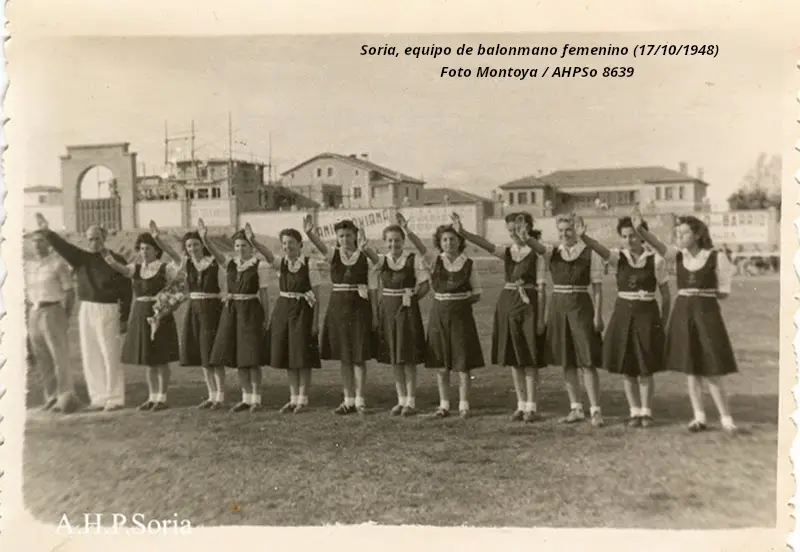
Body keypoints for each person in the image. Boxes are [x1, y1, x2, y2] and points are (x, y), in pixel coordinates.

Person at [632, 207, 739, 434]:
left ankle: (726, 418)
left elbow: (724, 292)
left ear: (698, 235)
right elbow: (658, 245)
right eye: (678, 234)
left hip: (707, 316)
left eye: (684, 233)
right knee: (691, 369)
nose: (679, 237)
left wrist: (701, 294)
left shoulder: (716, 256)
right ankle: (699, 417)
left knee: (712, 368)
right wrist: (640, 230)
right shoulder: (678, 255)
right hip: (683, 314)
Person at [575, 216, 670, 428]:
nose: (628, 240)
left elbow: (666, 295)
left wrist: (664, 323)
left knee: (646, 367)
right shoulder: (619, 258)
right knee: (628, 366)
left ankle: (646, 412)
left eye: (633, 236)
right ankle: (634, 411)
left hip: (647, 316)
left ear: (642, 236)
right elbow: (600, 249)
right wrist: (584, 237)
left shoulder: (656, 260)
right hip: (624, 316)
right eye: (625, 236)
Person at [34, 213, 131, 412]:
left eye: (97, 238)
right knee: (91, 354)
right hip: (86, 308)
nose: (93, 242)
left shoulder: (116, 259)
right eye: (90, 239)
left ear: (104, 237)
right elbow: (64, 247)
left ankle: (114, 397)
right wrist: (48, 231)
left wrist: (125, 317)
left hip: (109, 308)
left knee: (109, 353)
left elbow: (127, 290)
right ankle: (98, 397)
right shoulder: (82, 258)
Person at [456, 212, 546, 422]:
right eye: (511, 229)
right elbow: (485, 244)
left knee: (530, 357)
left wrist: (541, 319)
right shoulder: (507, 252)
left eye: (518, 228)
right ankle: (521, 405)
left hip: (529, 304)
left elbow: (541, 289)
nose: (514, 233)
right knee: (515, 357)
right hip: (508, 303)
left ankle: (532, 406)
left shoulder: (538, 252)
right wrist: (463, 232)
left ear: (528, 227)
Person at [517, 213, 606, 427]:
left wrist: (598, 315)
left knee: (587, 361)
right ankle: (576, 408)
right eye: (562, 230)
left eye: (569, 229)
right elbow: (538, 248)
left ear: (576, 230)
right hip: (558, 307)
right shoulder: (552, 252)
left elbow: (597, 290)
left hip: (581, 306)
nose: (565, 234)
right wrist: (526, 237)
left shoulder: (589, 253)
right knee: (567, 361)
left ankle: (595, 410)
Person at [406, 213, 484, 419]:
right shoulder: (434, 260)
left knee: (463, 363)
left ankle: (464, 405)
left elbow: (477, 294)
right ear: (440, 243)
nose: (449, 243)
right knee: (441, 364)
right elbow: (421, 248)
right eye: (445, 240)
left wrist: (460, 300)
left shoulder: (469, 264)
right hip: (439, 315)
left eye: (453, 239)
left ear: (459, 241)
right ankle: (444, 405)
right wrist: (407, 231)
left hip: (461, 317)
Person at [304, 216, 376, 415]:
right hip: (338, 308)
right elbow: (319, 245)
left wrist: (365, 245)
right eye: (341, 236)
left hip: (359, 307)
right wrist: (310, 233)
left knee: (359, 357)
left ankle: (360, 400)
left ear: (355, 236)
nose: (345, 239)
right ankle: (348, 400)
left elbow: (376, 272)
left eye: (348, 235)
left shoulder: (364, 254)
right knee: (345, 358)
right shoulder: (333, 254)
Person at [150, 221, 225, 410]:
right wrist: (157, 238)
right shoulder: (186, 264)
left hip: (212, 309)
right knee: (202, 354)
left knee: (213, 354)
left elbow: (218, 254)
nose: (192, 249)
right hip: (194, 310)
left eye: (196, 244)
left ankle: (220, 396)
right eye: (189, 246)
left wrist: (206, 237)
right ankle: (211, 395)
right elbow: (171, 252)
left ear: (202, 245)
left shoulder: (213, 262)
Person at [361, 213, 430, 417]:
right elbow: (371, 255)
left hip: (407, 311)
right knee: (394, 357)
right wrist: (364, 246)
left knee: (407, 357)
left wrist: (413, 297)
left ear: (403, 241)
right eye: (390, 241)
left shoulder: (413, 259)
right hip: (388, 310)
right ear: (385, 242)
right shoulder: (382, 260)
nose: (394, 244)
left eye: (397, 240)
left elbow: (426, 285)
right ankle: (401, 400)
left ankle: (411, 401)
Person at [103, 233, 181, 411]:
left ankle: (162, 397)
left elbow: (178, 263)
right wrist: (105, 252)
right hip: (140, 315)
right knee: (149, 359)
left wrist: (160, 238)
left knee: (161, 359)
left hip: (159, 315)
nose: (144, 252)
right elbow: (119, 268)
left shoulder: (165, 268)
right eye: (142, 248)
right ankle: (152, 397)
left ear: (157, 251)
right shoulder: (135, 268)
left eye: (149, 248)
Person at [248, 224, 322, 414]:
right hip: (283, 310)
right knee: (289, 356)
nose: (288, 247)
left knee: (302, 356)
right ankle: (293, 398)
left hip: (303, 311)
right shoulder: (281, 263)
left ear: (299, 244)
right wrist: (253, 240)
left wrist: (315, 322)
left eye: (291, 243)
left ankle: (303, 400)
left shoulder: (309, 263)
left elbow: (318, 296)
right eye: (284, 243)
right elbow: (266, 254)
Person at [201, 219, 270, 413]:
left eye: (244, 246)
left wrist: (265, 318)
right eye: (237, 246)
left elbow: (264, 296)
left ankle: (257, 398)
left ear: (250, 248)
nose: (240, 249)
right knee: (240, 358)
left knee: (252, 358)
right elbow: (215, 252)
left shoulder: (260, 265)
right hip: (232, 312)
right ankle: (246, 398)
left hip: (251, 311)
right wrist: (204, 238)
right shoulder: (230, 264)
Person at [24, 231, 79, 413]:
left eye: (41, 241)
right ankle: (51, 396)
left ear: (48, 244)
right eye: (34, 242)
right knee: (42, 357)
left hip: (53, 310)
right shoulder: (29, 266)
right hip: (34, 311)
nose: (37, 245)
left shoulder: (58, 264)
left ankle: (65, 397)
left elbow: (70, 292)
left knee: (59, 356)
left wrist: (66, 314)